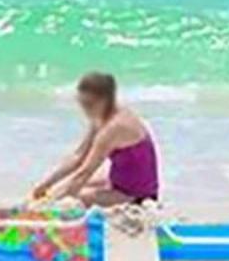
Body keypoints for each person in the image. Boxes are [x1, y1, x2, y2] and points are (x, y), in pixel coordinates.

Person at [31, 71, 159, 206]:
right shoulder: (103, 115)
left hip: (137, 195)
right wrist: (45, 184)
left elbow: (84, 172)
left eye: (88, 104)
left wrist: (48, 204)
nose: (85, 110)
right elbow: (78, 156)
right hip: (118, 181)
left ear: (104, 100)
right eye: (82, 104)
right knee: (62, 189)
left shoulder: (114, 127)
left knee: (74, 198)